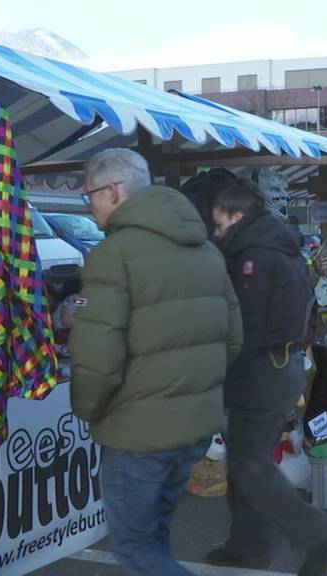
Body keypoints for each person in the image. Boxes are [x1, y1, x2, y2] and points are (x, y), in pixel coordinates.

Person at [70, 149, 243, 576]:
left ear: (112, 192)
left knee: (135, 548)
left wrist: (89, 412)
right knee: (155, 537)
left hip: (137, 432)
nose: (88, 206)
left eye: (89, 195)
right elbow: (233, 338)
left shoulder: (114, 254)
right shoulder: (205, 249)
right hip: (194, 427)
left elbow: (98, 359)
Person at [205, 177, 327, 575]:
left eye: (219, 222)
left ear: (238, 215)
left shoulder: (256, 256)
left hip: (262, 373)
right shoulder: (271, 246)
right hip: (273, 370)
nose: (216, 231)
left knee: (251, 464)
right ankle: (248, 546)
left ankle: (319, 535)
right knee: (247, 463)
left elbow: (246, 327)